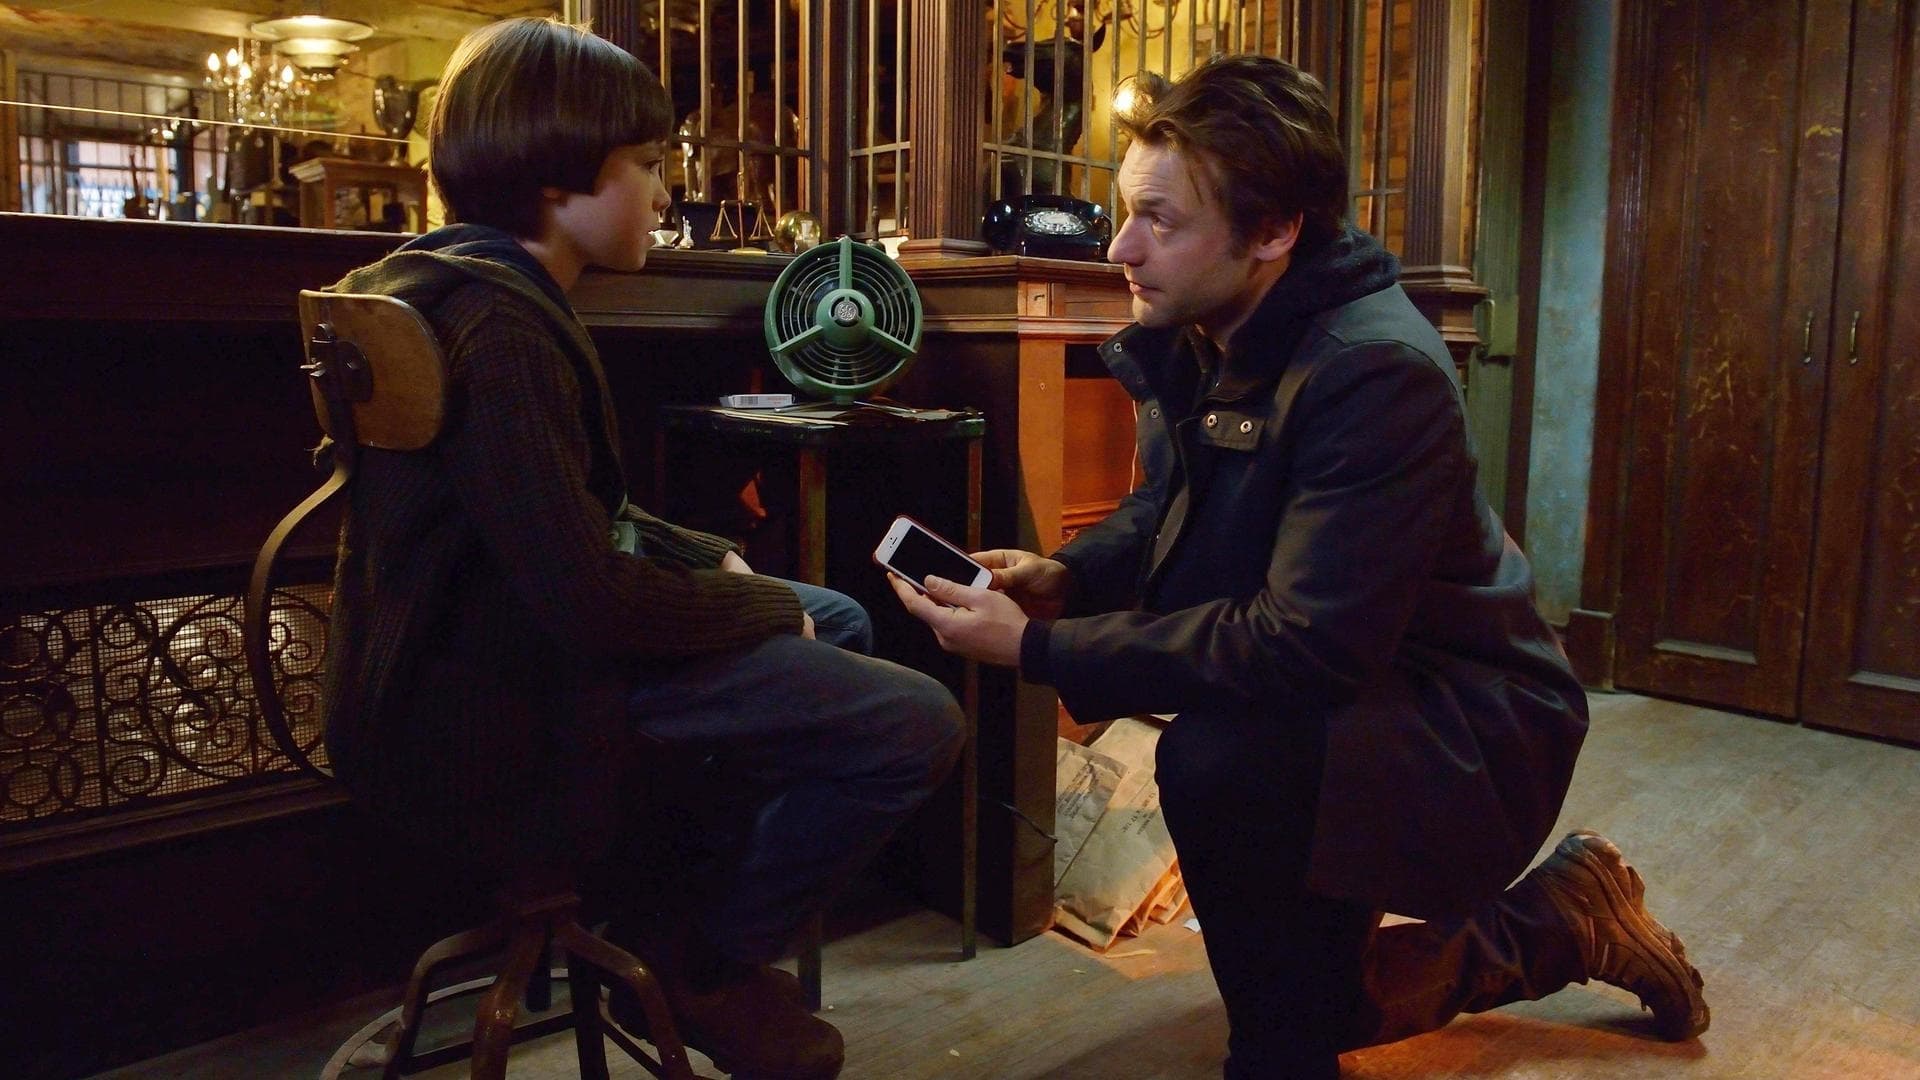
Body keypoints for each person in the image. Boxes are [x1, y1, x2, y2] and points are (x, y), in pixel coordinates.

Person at [892, 53, 1708, 1079]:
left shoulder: (1373, 370)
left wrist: (1043, 649)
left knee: (1226, 781)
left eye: (1160, 220)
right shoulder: (1219, 323)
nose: (1121, 246)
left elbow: (1308, 642)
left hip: (1467, 716)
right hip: (1359, 688)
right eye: (1127, 211)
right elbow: (1168, 504)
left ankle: (1524, 937)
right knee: (1294, 965)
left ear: (1274, 230)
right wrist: (1072, 580)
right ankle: (1537, 928)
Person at [321, 18, 963, 1079]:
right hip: (493, 708)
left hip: (449, 662)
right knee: (915, 721)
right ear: (558, 171)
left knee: (842, 617)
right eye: (649, 163)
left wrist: (706, 557)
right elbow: (589, 597)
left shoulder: (443, 283)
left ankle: (668, 912)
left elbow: (567, 513)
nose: (668, 193)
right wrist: (762, 607)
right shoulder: (503, 330)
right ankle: (698, 965)